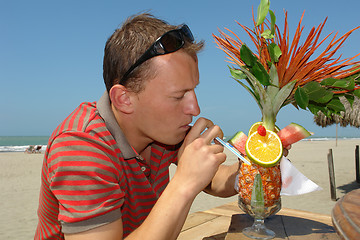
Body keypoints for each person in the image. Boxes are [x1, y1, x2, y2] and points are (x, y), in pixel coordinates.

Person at [35, 13, 240, 240]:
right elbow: (191, 179)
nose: (195, 108)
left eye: (193, 90)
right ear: (124, 99)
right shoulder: (80, 147)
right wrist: (184, 184)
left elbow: (213, 179)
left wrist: (252, 173)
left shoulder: (163, 131)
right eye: (178, 96)